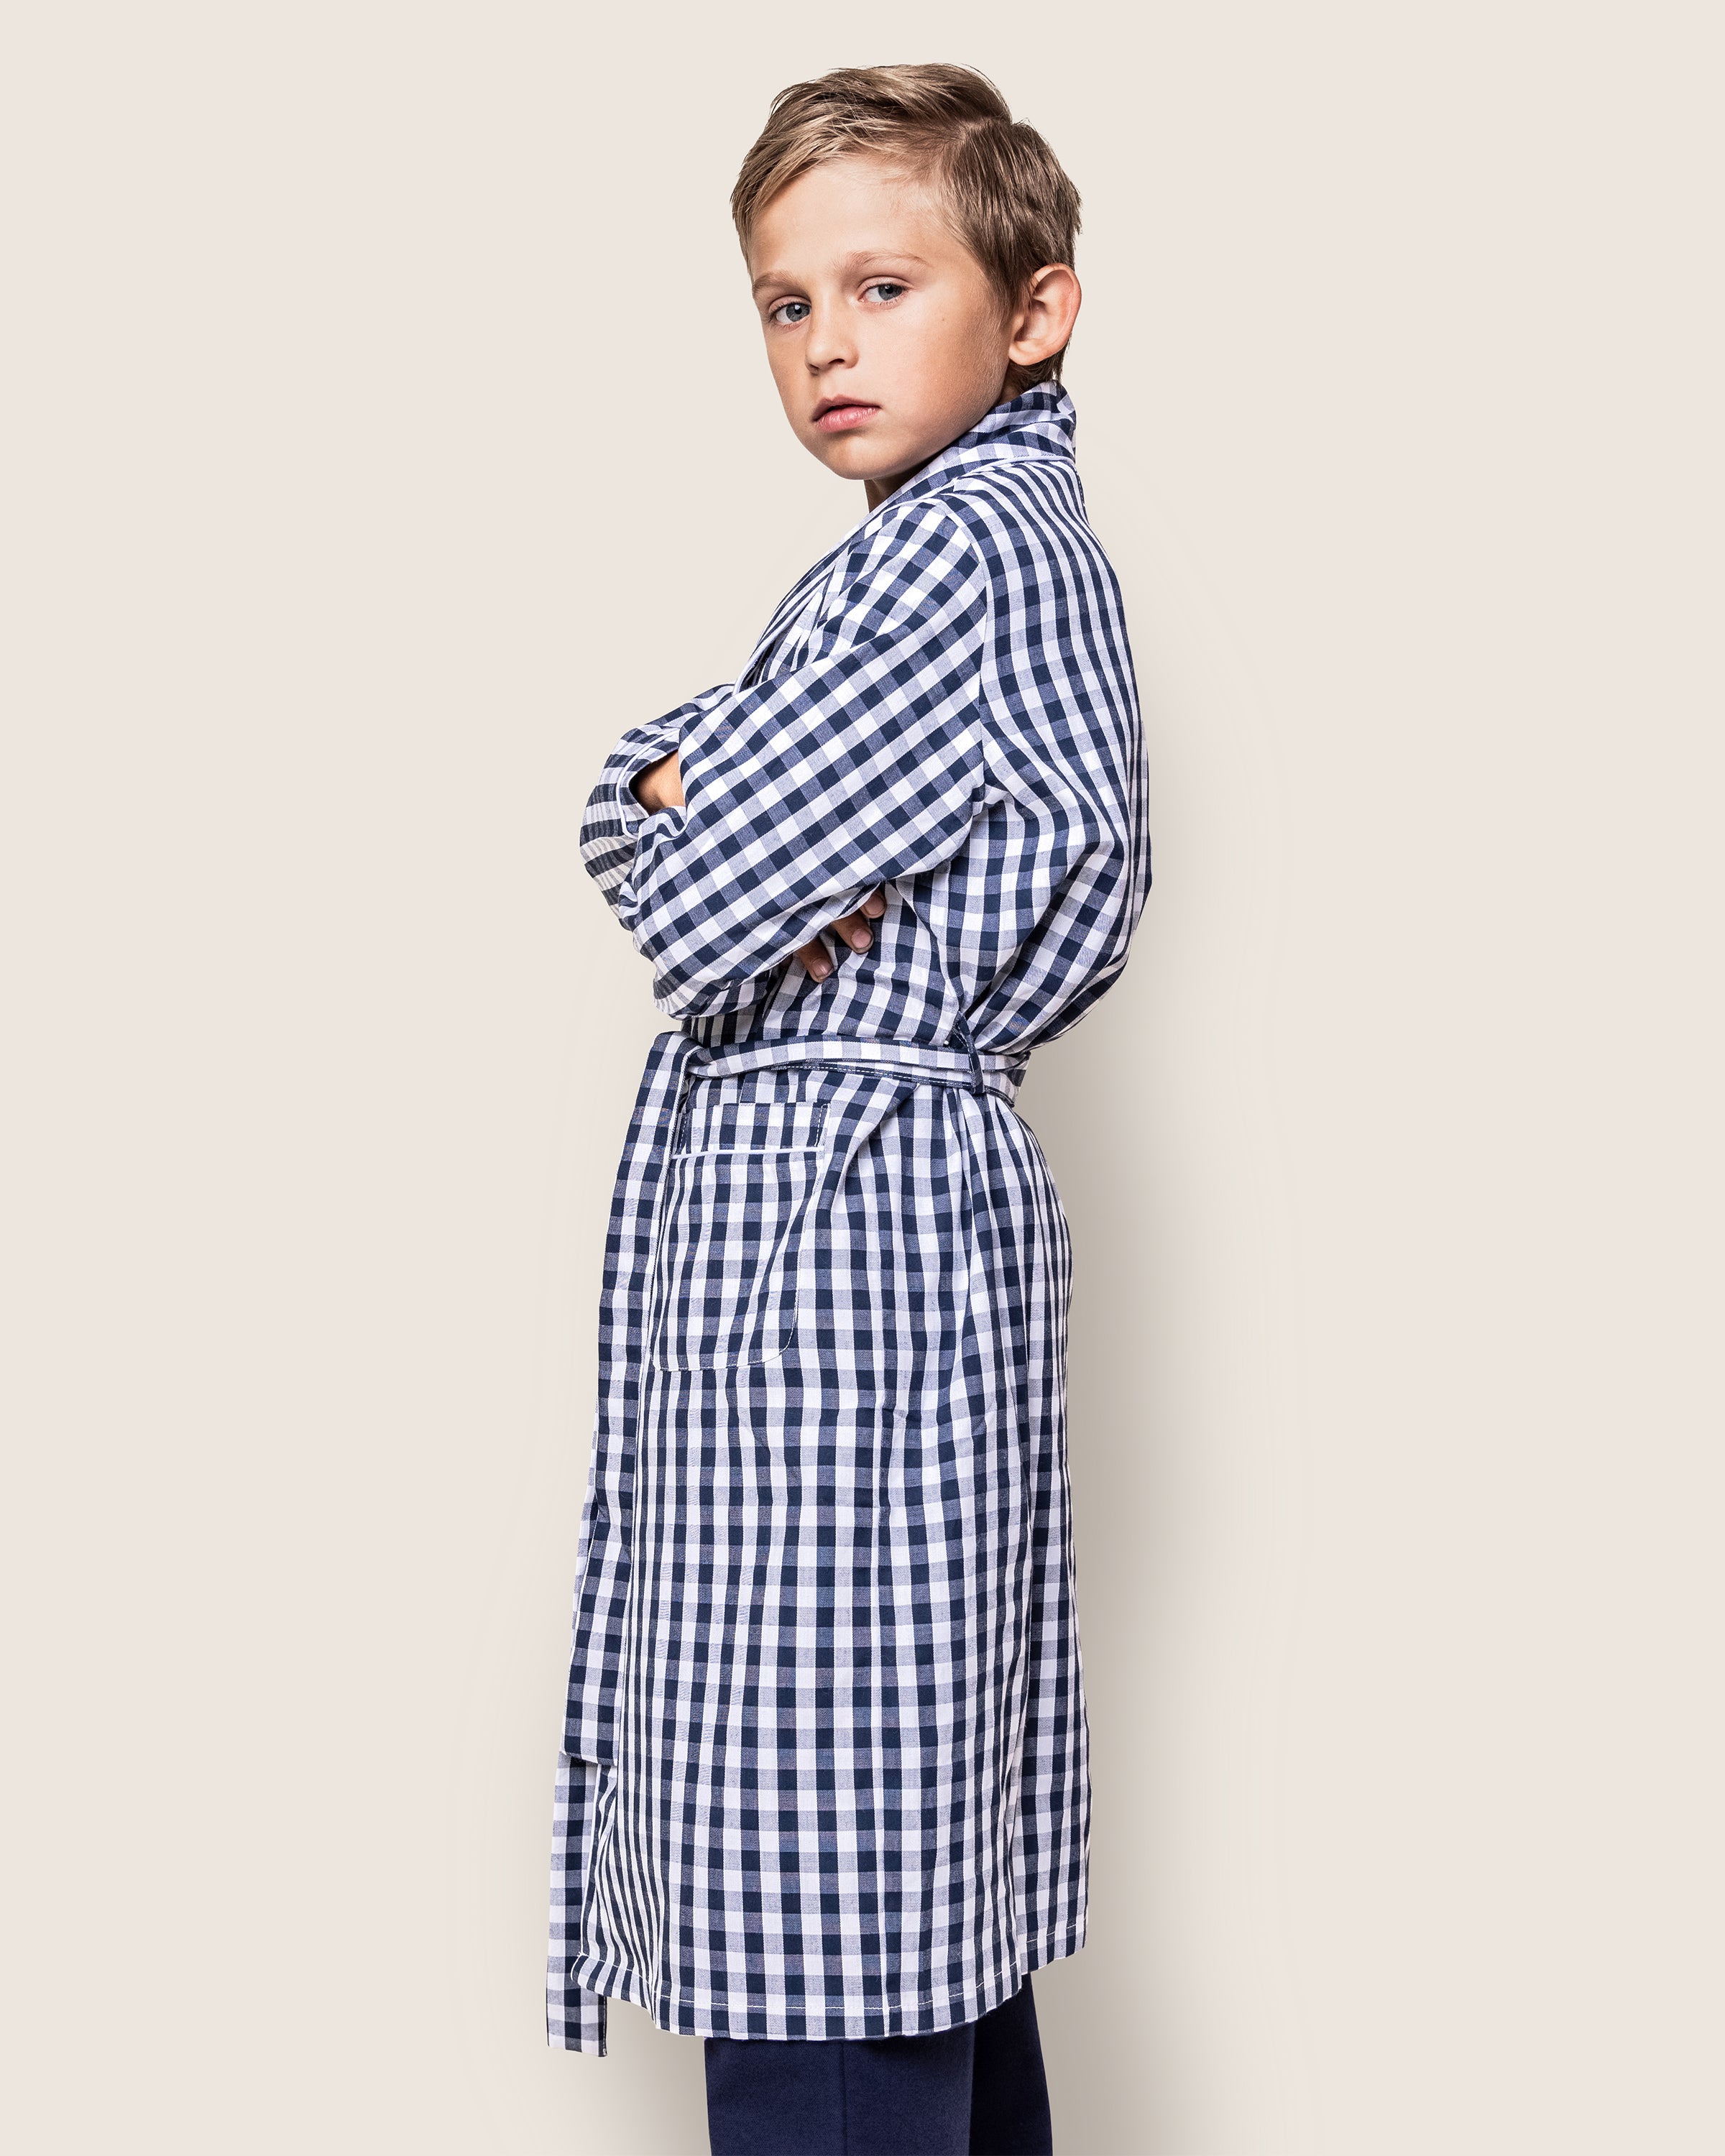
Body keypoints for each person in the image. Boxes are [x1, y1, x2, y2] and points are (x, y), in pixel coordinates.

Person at [548, 63, 1149, 2155]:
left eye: (883, 285)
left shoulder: (949, 562)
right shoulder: (976, 551)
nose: (825, 345)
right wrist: (699, 772)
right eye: (786, 305)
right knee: (894, 1844)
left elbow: (699, 887)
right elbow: (735, 834)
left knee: (835, 1834)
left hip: (849, 1223)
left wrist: (659, 783)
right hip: (875, 1210)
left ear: (1034, 310)